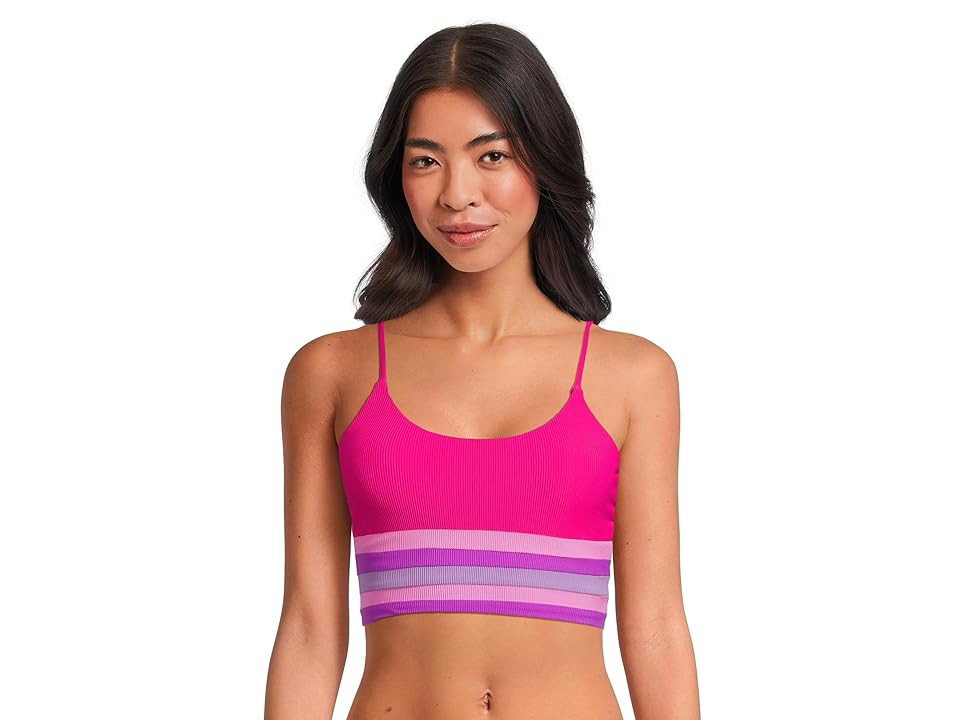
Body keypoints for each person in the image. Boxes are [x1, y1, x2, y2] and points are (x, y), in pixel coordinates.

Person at [264, 22, 700, 720]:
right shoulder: (332, 372)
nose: (457, 194)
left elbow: (656, 631)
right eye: (426, 161)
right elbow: (311, 631)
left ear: (544, 161)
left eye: (491, 155)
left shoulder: (633, 377)